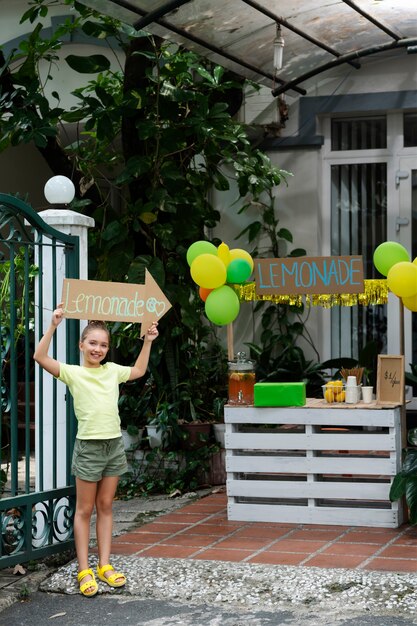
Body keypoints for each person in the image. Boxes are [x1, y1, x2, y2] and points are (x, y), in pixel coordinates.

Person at [33, 304, 159, 597]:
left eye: (103, 344)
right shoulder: (73, 373)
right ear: (82, 345)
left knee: (105, 506)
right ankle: (83, 569)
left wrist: (148, 341)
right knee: (84, 509)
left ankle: (104, 565)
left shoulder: (113, 371)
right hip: (88, 448)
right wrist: (53, 325)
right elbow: (39, 357)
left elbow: (139, 370)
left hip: (113, 445)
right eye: (92, 343)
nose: (98, 348)